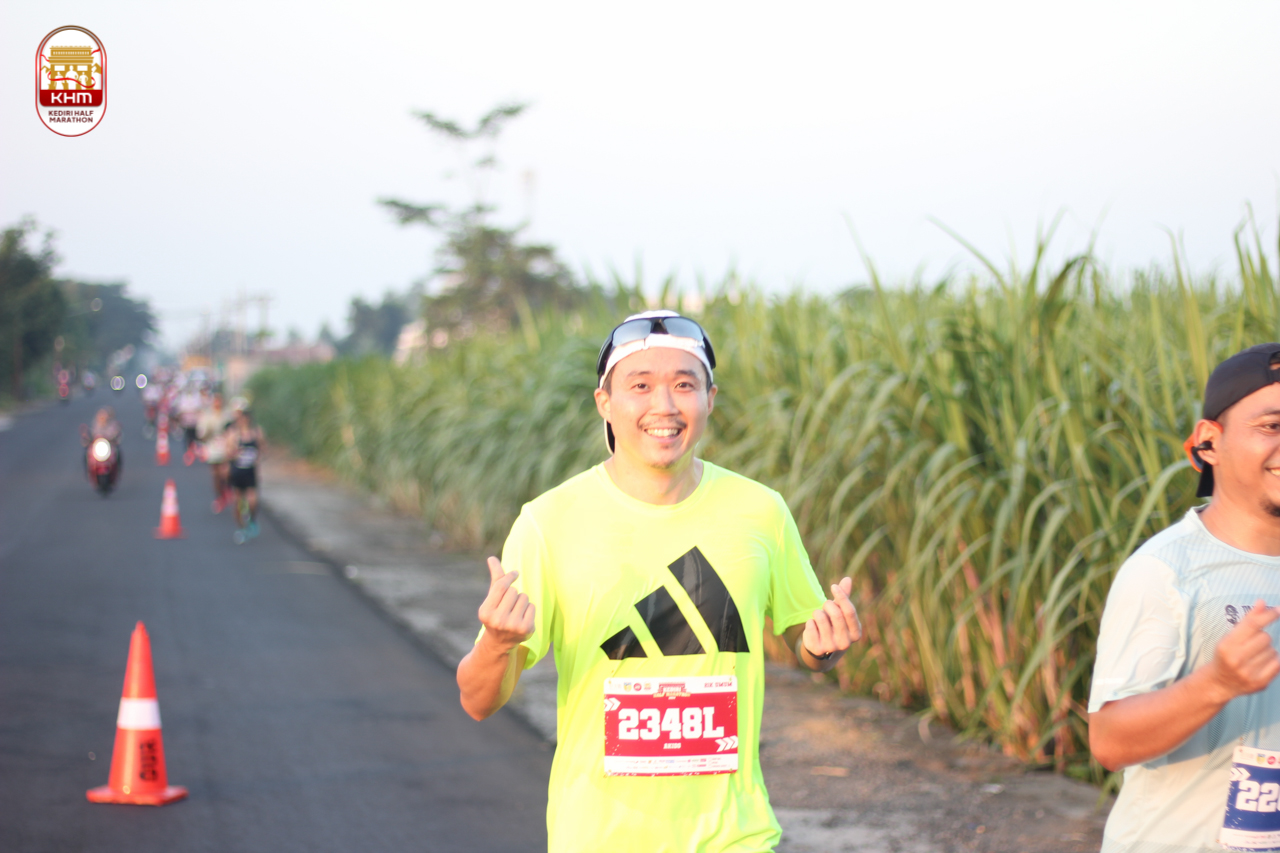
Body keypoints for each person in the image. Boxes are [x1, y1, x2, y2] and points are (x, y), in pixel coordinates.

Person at [455, 310, 863, 852]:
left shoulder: (760, 511)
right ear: (605, 402)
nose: (664, 406)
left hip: (734, 837)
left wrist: (824, 645)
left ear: (710, 399)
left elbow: (807, 645)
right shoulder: (549, 523)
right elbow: (477, 700)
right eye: (641, 385)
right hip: (598, 839)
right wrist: (497, 643)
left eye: (684, 385)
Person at [1089, 343, 1280, 852]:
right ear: (1209, 442)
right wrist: (1217, 683)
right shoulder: (1166, 571)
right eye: (1272, 426)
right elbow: (1109, 741)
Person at [226, 407, 264, 543]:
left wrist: (257, 459)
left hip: (250, 471)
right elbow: (228, 452)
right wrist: (235, 452)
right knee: (238, 502)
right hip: (237, 472)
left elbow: (262, 449)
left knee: (253, 501)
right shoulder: (233, 434)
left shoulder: (256, 433)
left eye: (245, 418)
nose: (243, 421)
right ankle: (241, 528)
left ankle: (251, 520)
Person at [197, 391, 232, 512]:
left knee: (225, 472)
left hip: (225, 447)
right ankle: (219, 496)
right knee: (216, 474)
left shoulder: (227, 415)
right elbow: (201, 434)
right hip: (212, 447)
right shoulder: (207, 416)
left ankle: (227, 490)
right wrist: (207, 431)